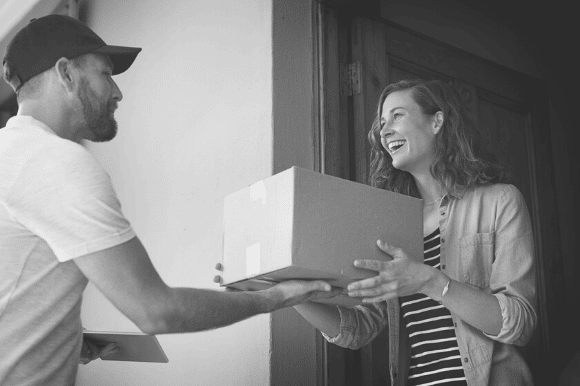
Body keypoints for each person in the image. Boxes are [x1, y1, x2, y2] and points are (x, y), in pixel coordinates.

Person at [0, 14, 336, 386]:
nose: (117, 92)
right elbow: (156, 311)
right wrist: (275, 297)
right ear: (66, 73)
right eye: (105, 73)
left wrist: (57, 338)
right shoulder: (56, 162)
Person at [294, 79, 537, 385]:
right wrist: (289, 295)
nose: (384, 131)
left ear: (437, 121)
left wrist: (430, 281)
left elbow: (519, 322)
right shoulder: (390, 225)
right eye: (382, 122)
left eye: (397, 116)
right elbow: (360, 328)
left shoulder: (500, 201)